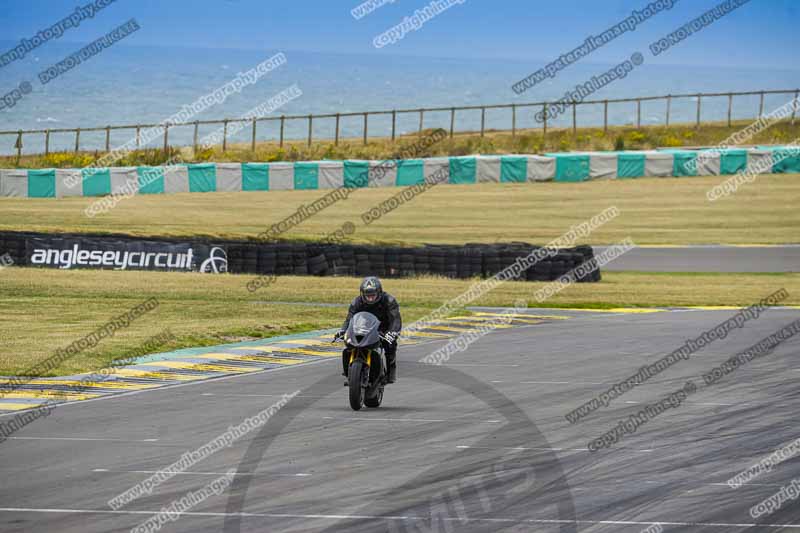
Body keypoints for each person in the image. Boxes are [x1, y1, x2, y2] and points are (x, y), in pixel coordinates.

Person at [339, 276, 401, 385]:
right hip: (364, 327)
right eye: (367, 296)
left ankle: (391, 372)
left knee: (390, 345)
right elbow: (349, 319)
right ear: (362, 294)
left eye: (373, 295)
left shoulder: (389, 301)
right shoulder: (357, 302)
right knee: (348, 344)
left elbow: (395, 320)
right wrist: (343, 330)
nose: (370, 298)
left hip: (383, 328)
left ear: (379, 293)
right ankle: (349, 372)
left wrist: (392, 332)